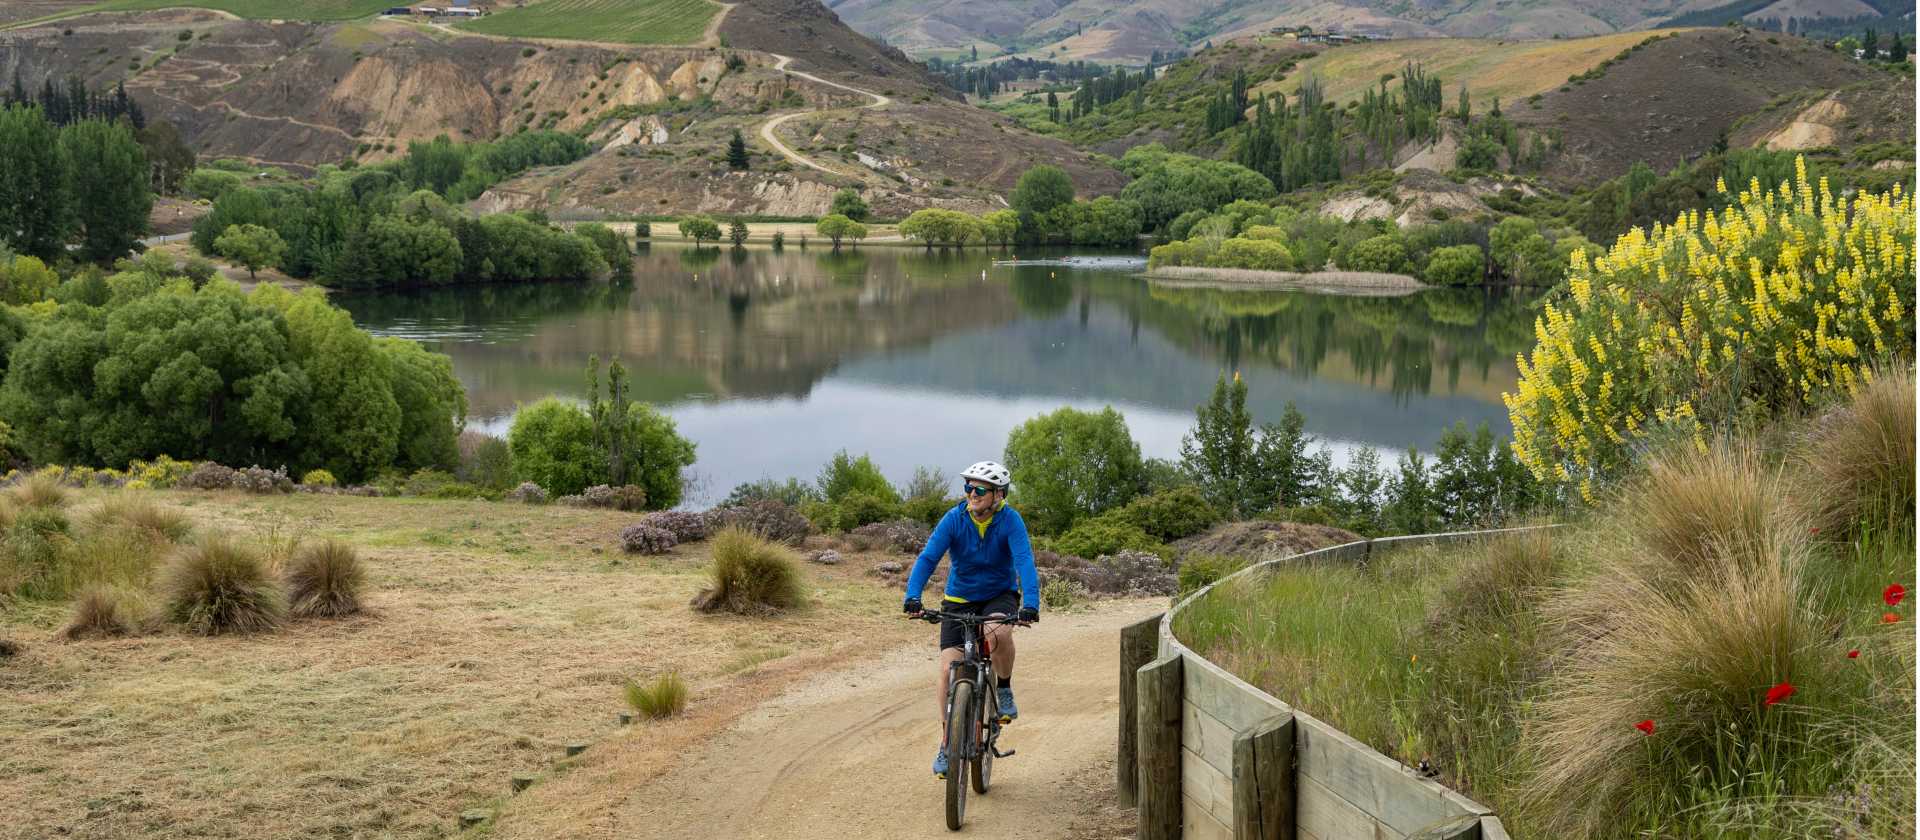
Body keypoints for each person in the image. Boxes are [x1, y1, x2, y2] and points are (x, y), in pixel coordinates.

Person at [903, 460, 1040, 779]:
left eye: (980, 489)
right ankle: (947, 742)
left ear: (998, 494)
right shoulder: (954, 519)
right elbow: (928, 558)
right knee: (947, 670)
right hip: (960, 597)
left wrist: (1030, 604)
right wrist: (913, 597)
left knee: (999, 633)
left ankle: (1004, 688)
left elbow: (1024, 562)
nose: (972, 494)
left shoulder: (1011, 521)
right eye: (968, 487)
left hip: (998, 594)